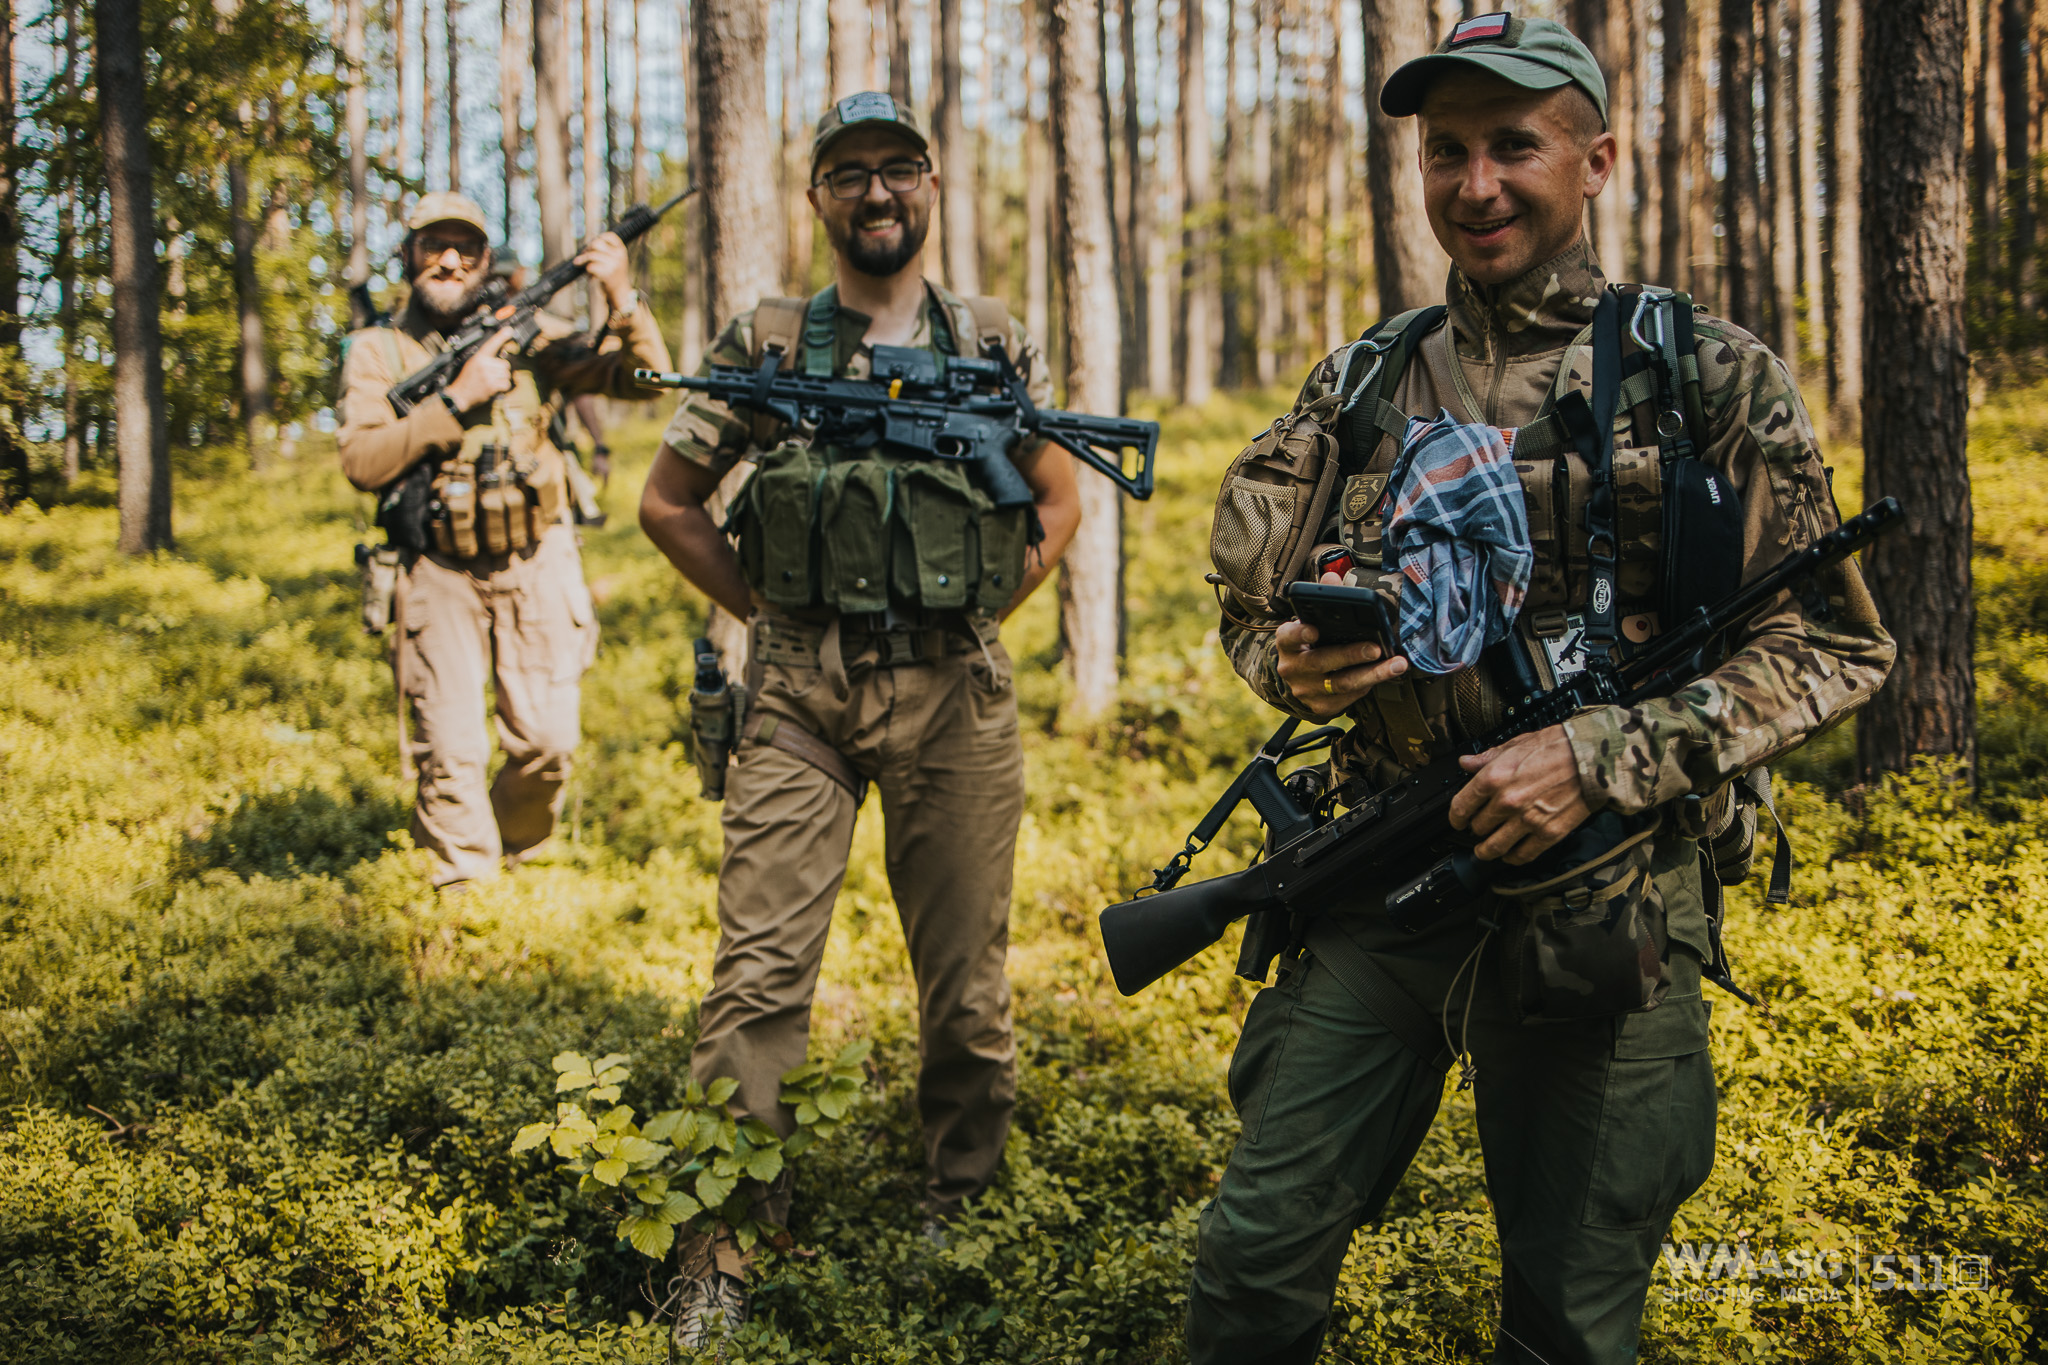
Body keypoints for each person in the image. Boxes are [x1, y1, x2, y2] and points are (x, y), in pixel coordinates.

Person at [1190, 15, 1895, 1364]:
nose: (1477, 183)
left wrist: (1606, 754)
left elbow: (1836, 645)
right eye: (1446, 151)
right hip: (1387, 869)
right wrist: (1294, 668)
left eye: (1514, 145)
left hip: (1609, 890)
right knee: (1250, 1266)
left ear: (1598, 161)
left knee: (1569, 1321)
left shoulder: (1706, 374)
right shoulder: (1364, 379)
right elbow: (1251, 612)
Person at [638, 93, 1080, 1340]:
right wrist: (775, 614)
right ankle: (721, 1247)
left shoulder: (990, 340)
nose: (875, 194)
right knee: (758, 974)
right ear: (819, 198)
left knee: (965, 982)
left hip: (956, 695)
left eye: (897, 170)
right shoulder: (767, 342)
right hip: (798, 701)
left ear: (931, 184)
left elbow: (1054, 499)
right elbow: (668, 504)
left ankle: (963, 1199)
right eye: (848, 176)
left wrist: (981, 609)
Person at [338, 191, 672, 888]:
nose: (449, 260)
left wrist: (620, 295)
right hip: (438, 568)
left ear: (486, 260)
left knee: (548, 741)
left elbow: (647, 381)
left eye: (465, 247)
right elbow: (362, 463)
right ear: (409, 257)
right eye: (433, 245)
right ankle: (465, 892)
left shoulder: (530, 339)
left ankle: (518, 844)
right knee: (450, 750)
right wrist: (457, 398)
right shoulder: (377, 350)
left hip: (536, 558)